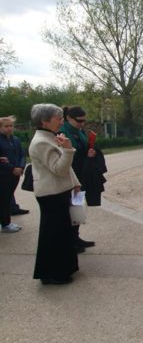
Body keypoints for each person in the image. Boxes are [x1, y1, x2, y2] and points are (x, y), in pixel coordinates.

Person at [29, 104, 81, 285]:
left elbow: (65, 169)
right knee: (53, 235)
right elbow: (59, 169)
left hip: (60, 191)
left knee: (63, 233)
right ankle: (54, 273)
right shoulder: (42, 142)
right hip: (52, 194)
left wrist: (75, 183)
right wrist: (68, 149)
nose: (60, 122)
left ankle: (63, 269)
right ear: (44, 121)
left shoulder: (50, 137)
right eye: (57, 119)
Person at [60, 106, 107, 253]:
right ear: (68, 118)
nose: (82, 124)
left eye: (84, 121)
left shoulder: (79, 132)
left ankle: (76, 237)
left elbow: (83, 149)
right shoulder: (63, 133)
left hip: (82, 175)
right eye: (79, 121)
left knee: (77, 208)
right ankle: (69, 240)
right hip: (70, 176)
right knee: (69, 209)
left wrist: (91, 152)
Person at [0, 116, 25, 233]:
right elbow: (2, 161)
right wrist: (12, 168)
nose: (9, 128)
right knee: (3, 199)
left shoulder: (15, 139)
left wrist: (20, 167)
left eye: (11, 126)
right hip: (4, 174)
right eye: (6, 126)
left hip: (15, 174)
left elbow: (22, 155)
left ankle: (6, 222)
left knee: (8, 198)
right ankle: (5, 223)